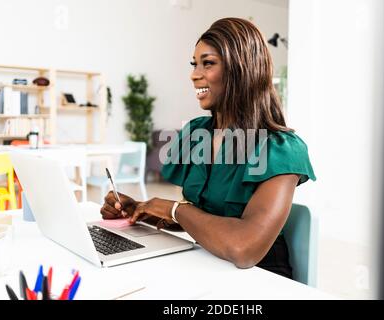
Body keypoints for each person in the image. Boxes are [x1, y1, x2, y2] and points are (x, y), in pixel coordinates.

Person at [101, 17, 316, 279]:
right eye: (194, 64)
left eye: (208, 63)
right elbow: (203, 222)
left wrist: (174, 209)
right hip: (206, 264)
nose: (194, 75)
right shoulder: (196, 133)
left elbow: (243, 248)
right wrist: (141, 210)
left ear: (241, 69)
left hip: (260, 280)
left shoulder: (281, 149)